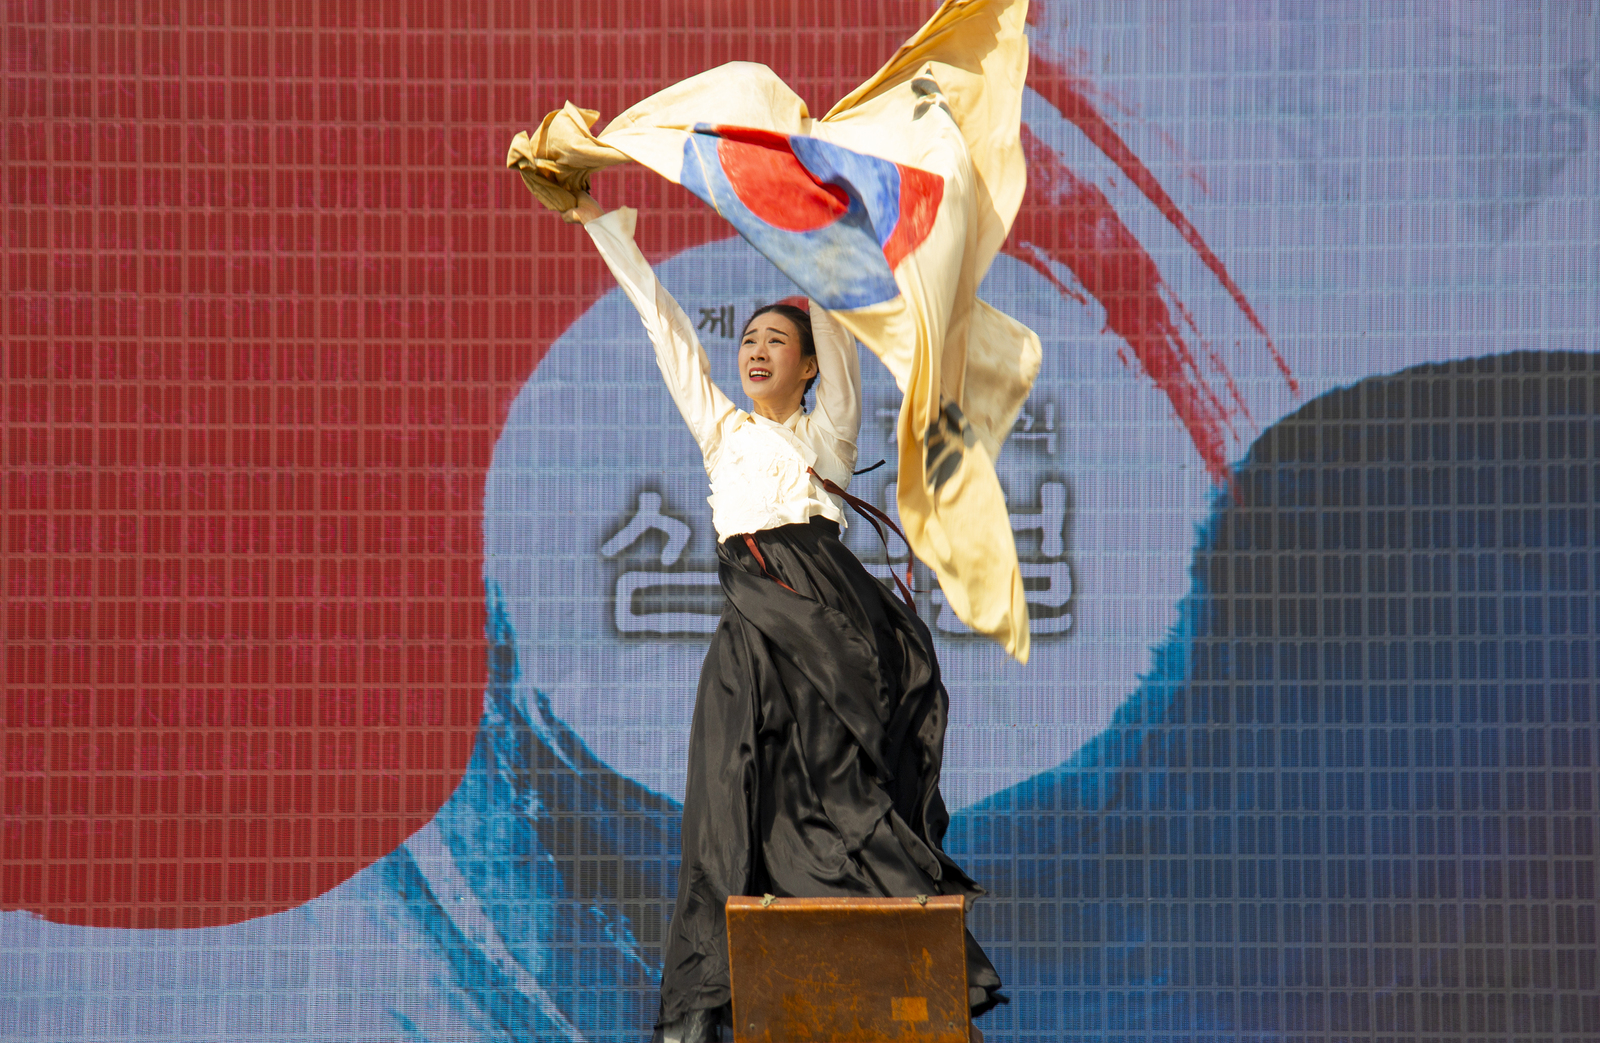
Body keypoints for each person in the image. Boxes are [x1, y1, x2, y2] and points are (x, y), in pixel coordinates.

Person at [560, 190, 1004, 1043]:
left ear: (807, 368)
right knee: (725, 802)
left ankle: (908, 977)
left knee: (840, 795)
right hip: (750, 637)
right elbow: (666, 330)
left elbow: (835, 320)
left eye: (776, 341)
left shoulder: (827, 435)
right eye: (749, 340)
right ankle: (703, 1003)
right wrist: (599, 230)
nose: (756, 350)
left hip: (827, 634)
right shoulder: (723, 432)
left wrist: (816, 219)